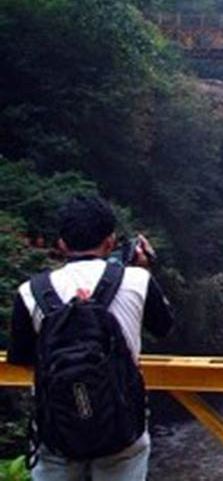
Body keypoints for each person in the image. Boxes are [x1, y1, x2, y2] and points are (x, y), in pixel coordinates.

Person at [7, 195, 173, 480]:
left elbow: (21, 358)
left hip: (57, 428)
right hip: (121, 428)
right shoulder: (137, 280)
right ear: (110, 242)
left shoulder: (29, 291)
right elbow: (164, 327)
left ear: (61, 244)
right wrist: (144, 268)